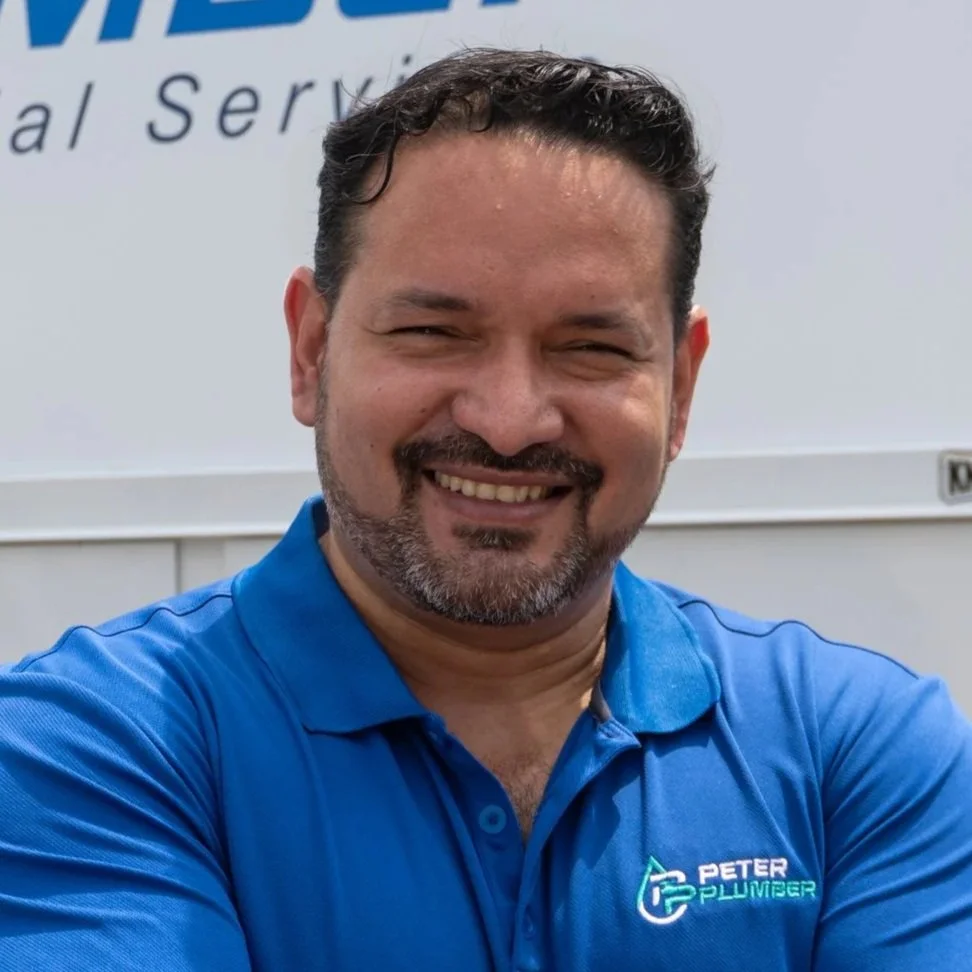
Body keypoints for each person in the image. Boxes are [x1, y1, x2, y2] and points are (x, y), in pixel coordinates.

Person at [1, 48, 970, 971]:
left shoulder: (858, 752)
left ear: (680, 383)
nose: (509, 422)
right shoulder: (91, 745)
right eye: (433, 332)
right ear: (310, 352)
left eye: (590, 348)